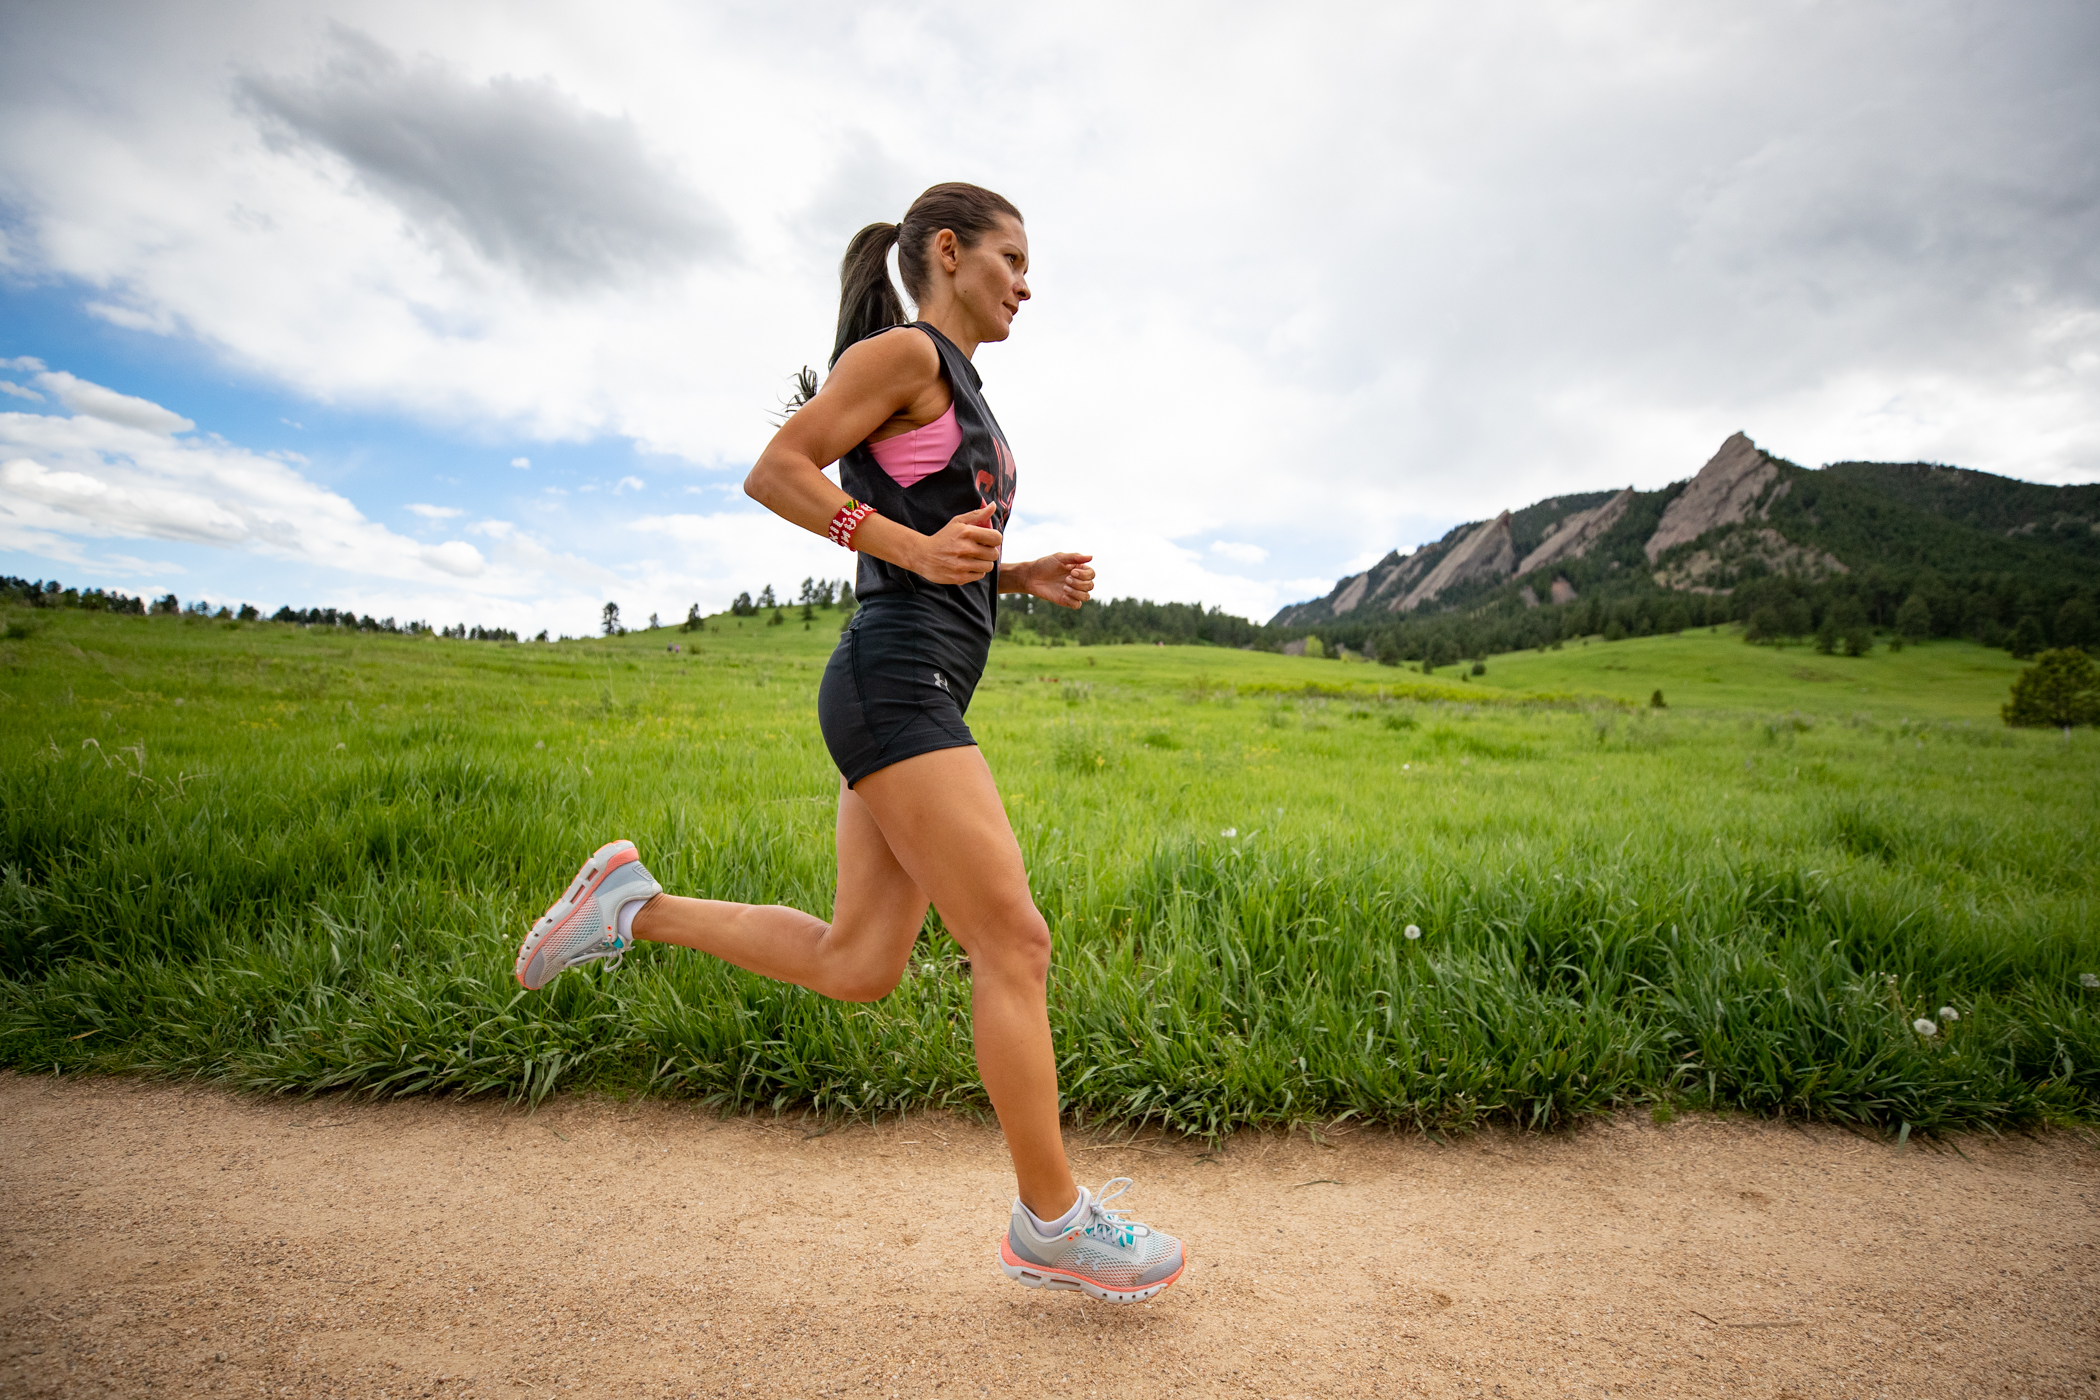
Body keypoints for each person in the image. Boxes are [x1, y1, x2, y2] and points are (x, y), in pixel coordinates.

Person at [512, 182, 1185, 1304]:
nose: (1028, 282)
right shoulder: (904, 354)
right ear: (949, 251)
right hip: (896, 682)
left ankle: (633, 905)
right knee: (1013, 940)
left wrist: (1010, 570)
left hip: (913, 686)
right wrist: (916, 556)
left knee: (858, 962)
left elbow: (922, 525)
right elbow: (777, 470)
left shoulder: (959, 385)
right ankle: (1051, 1218)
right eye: (1012, 258)